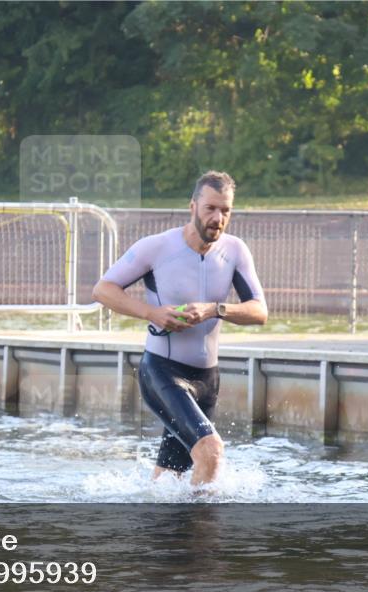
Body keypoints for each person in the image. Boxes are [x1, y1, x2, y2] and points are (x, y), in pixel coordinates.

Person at [92, 170, 268, 486]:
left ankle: (158, 516)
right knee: (211, 452)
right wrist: (152, 313)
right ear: (193, 207)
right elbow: (103, 289)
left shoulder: (235, 251)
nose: (218, 218)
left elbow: (259, 311)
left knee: (170, 478)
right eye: (210, 208)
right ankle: (202, 521)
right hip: (163, 372)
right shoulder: (157, 247)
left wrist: (215, 309)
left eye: (225, 210)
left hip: (207, 380)